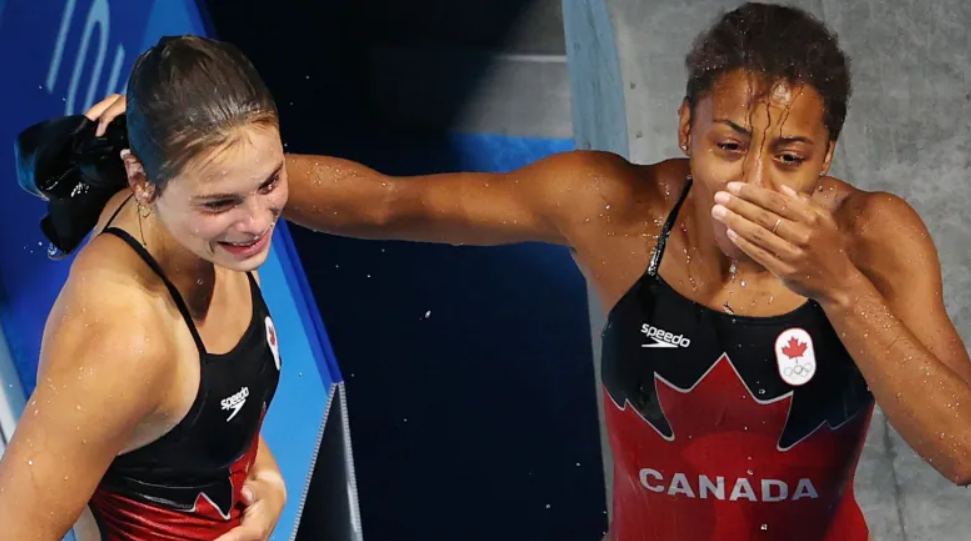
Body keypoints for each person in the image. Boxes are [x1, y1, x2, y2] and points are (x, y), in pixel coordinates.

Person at [71, 3, 971, 540]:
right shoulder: (610, 208)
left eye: (790, 157)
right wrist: (195, 163)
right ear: (684, 128)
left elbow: (962, 452)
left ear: (827, 156)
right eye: (728, 146)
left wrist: (839, 287)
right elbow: (388, 203)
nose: (753, 183)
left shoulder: (872, 237)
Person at [0, 36, 288, 541]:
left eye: (270, 183)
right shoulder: (125, 342)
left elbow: (188, 423)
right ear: (140, 179)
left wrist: (267, 479)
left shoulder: (210, 234)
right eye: (220, 202)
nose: (258, 222)